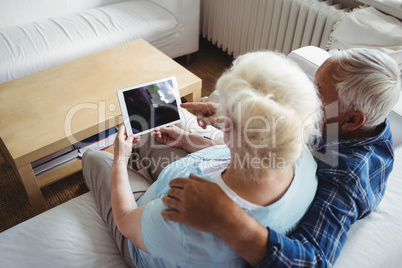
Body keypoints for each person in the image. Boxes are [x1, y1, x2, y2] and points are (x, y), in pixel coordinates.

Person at [160, 48, 401, 267]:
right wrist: (237, 114)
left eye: (318, 92)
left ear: (353, 120)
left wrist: (225, 216)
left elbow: (313, 261)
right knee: (172, 123)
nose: (307, 95)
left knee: (151, 141)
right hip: (234, 157)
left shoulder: (346, 176)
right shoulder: (357, 124)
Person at [83, 50, 323, 267]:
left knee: (94, 159)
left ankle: (123, 164)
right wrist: (187, 140)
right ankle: (140, 162)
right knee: (155, 127)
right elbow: (230, 153)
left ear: (229, 127)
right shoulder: (302, 157)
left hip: (143, 236)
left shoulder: (189, 218)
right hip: (178, 181)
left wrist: (119, 158)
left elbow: (125, 221)